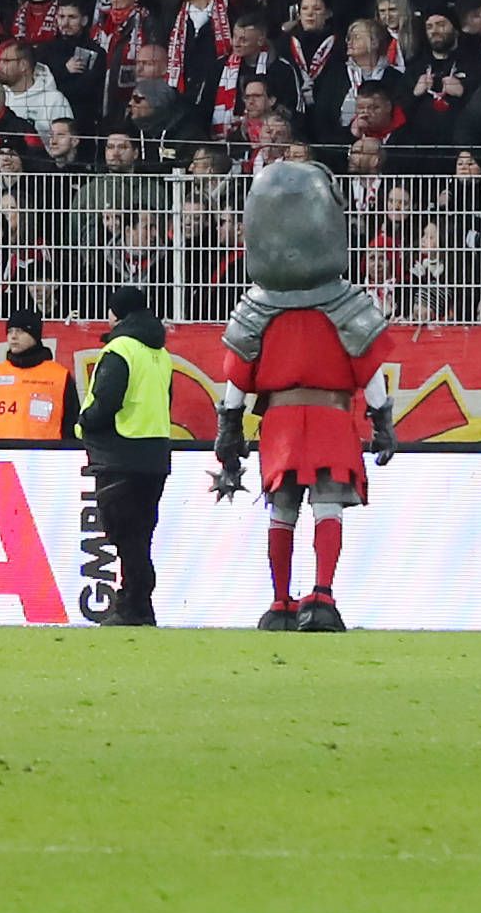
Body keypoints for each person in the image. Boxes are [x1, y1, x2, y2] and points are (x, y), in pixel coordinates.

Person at [213, 158, 397, 634]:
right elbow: (370, 371)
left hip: (279, 423)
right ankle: (322, 595)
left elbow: (235, 383)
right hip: (333, 418)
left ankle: (279, 602)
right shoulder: (349, 305)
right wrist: (383, 423)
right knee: (328, 505)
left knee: (283, 510)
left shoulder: (255, 308)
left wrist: (227, 433)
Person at [70, 290, 195, 627]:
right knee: (140, 533)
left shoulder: (120, 349)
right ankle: (139, 603)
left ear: (116, 314)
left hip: (120, 452)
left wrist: (85, 422)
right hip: (154, 454)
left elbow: (106, 399)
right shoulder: (160, 353)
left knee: (125, 534)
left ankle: (133, 605)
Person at [0, 307, 70, 441]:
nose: (13, 336)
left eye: (20, 331)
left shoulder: (60, 377)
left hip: (46, 458)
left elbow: (71, 425)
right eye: (10, 331)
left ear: (35, 335)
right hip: (1, 458)